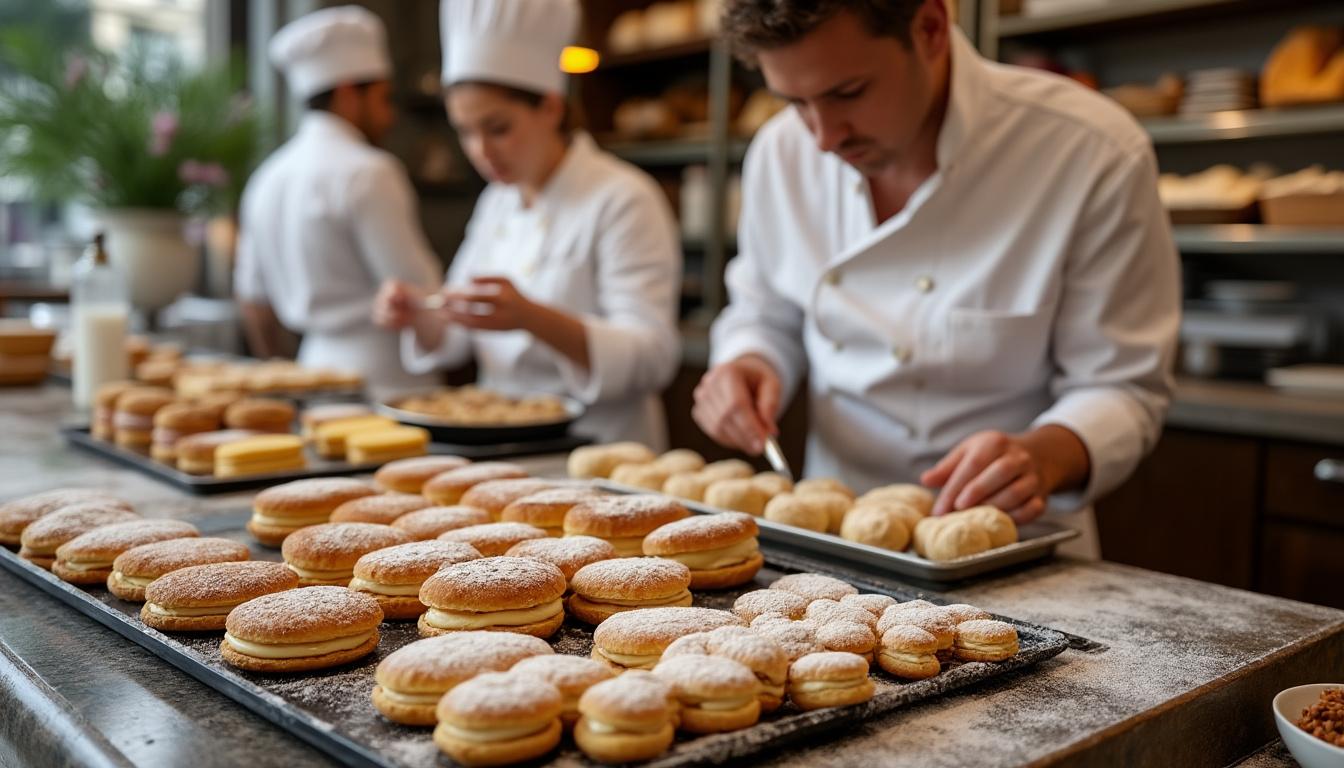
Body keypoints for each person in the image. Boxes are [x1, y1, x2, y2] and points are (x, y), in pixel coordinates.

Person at [692, 0, 1180, 555]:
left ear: (928, 27)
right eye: (794, 101)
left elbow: (1122, 386)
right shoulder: (781, 153)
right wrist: (749, 362)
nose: (823, 137)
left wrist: (1045, 455)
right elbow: (766, 311)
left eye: (847, 93)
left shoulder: (1089, 151)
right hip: (835, 538)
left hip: (1015, 545)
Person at [373, 0, 682, 449]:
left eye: (497, 128)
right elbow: (458, 330)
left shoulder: (623, 197)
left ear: (551, 108)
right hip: (500, 442)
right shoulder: (497, 203)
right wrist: (420, 312)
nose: (480, 151)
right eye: (465, 131)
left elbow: (652, 357)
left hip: (601, 448)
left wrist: (533, 319)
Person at [235, 6, 442, 398]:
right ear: (349, 93)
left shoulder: (267, 177)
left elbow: (252, 302)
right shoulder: (371, 171)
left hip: (311, 372)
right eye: (383, 98)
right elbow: (419, 292)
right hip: (388, 378)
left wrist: (276, 371)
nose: (390, 115)